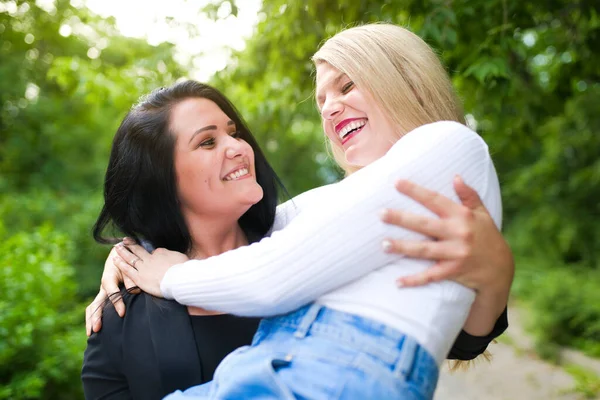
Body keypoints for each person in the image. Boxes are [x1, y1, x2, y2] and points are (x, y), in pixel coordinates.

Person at [110, 23, 512, 399]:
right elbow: (262, 225)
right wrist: (131, 254)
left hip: (335, 371)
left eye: (347, 86)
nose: (328, 109)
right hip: (280, 361)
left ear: (405, 78)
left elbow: (273, 272)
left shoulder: (450, 144)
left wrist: (170, 276)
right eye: (322, 100)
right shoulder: (342, 199)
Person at [81, 81, 282, 399]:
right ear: (160, 179)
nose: (239, 147)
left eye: (234, 132)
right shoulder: (120, 314)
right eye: (208, 142)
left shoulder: (300, 251)